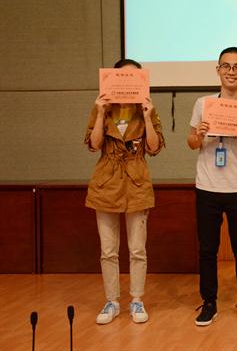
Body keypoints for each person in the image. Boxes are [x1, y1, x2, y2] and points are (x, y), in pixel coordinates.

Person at [187, 47, 237, 326]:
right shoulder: (203, 104)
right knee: (208, 250)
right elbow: (191, 143)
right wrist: (199, 134)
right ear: (218, 70)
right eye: (226, 66)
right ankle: (209, 303)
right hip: (207, 186)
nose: (232, 72)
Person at [85, 58, 165, 325]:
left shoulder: (147, 108)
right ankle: (112, 301)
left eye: (134, 77)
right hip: (106, 183)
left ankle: (136, 300)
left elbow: (154, 148)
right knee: (108, 250)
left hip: (137, 182)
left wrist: (147, 116)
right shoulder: (103, 108)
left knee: (137, 249)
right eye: (123, 76)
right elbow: (94, 145)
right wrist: (100, 113)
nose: (128, 82)